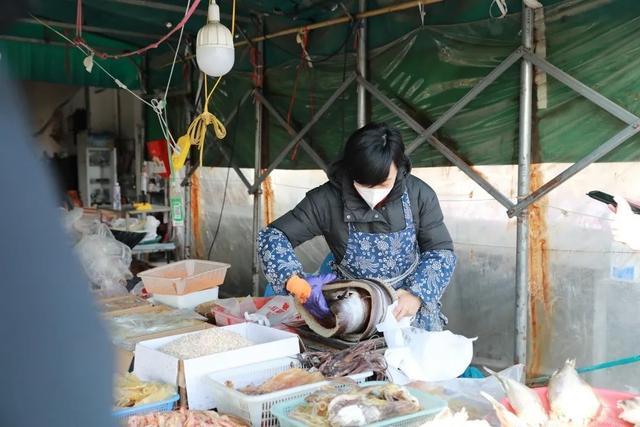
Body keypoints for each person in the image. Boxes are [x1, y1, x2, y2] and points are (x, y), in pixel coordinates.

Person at [257, 123, 456, 331]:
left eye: (384, 183)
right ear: (350, 169)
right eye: (365, 184)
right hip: (352, 311)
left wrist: (417, 294)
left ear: (399, 168)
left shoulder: (419, 195)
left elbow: (440, 250)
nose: (375, 192)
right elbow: (274, 235)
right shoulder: (326, 200)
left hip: (407, 308)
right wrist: (290, 277)